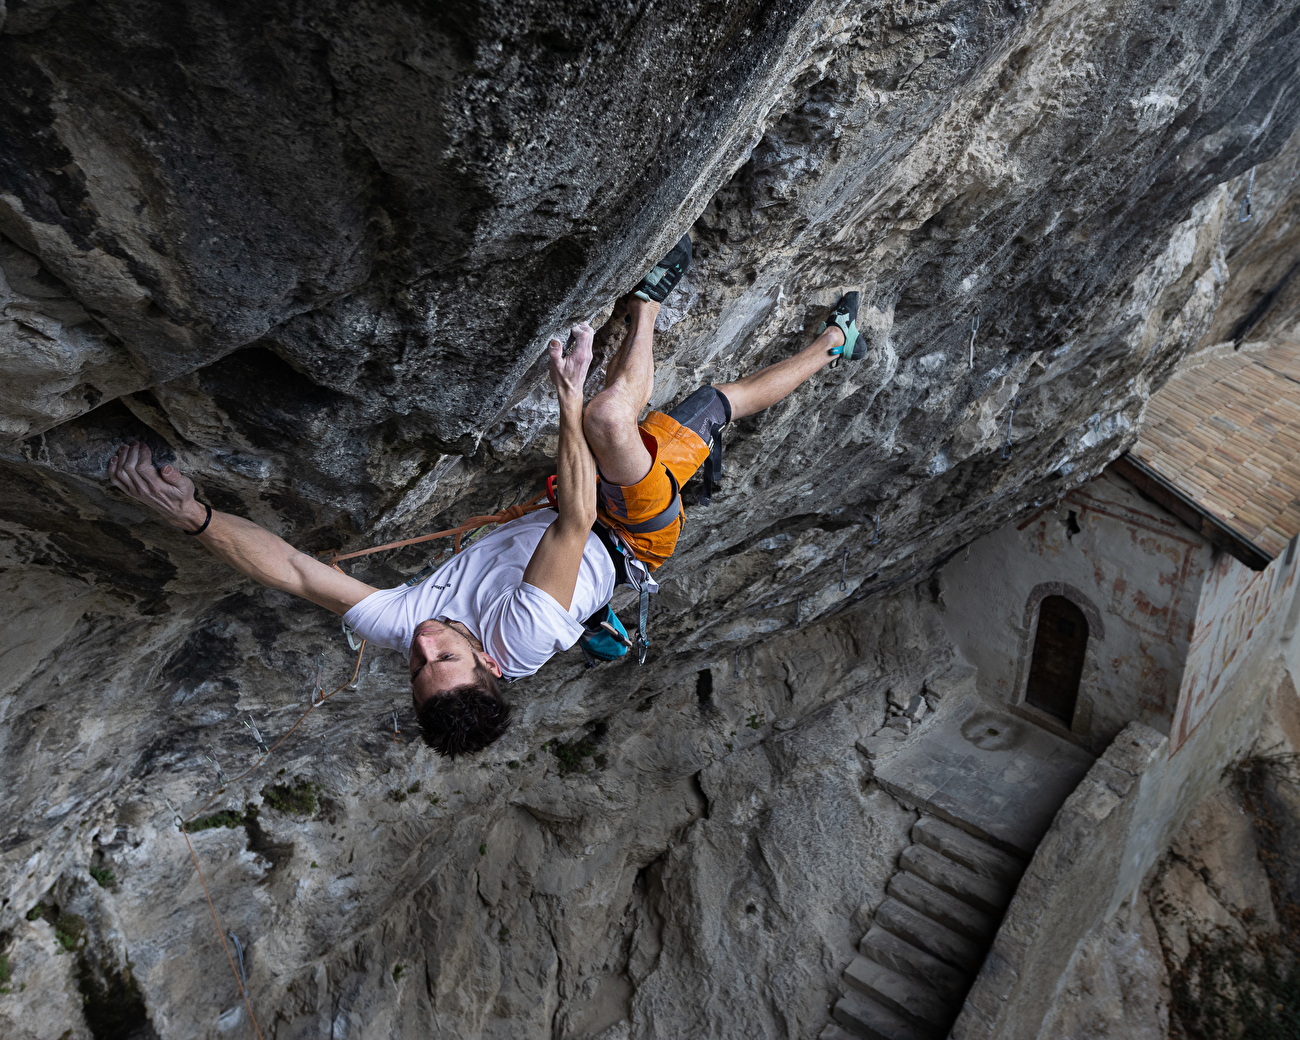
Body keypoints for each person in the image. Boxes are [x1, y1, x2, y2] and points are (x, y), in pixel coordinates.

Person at [107, 234, 863, 757]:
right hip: (626, 536)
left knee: (626, 418)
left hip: (568, 516)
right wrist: (567, 398)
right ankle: (831, 344)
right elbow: (574, 520)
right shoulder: (523, 638)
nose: (425, 640)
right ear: (489, 666)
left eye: (417, 664)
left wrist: (194, 516)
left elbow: (298, 572)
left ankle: (656, 325)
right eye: (445, 656)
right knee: (621, 413)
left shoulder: (414, 632)